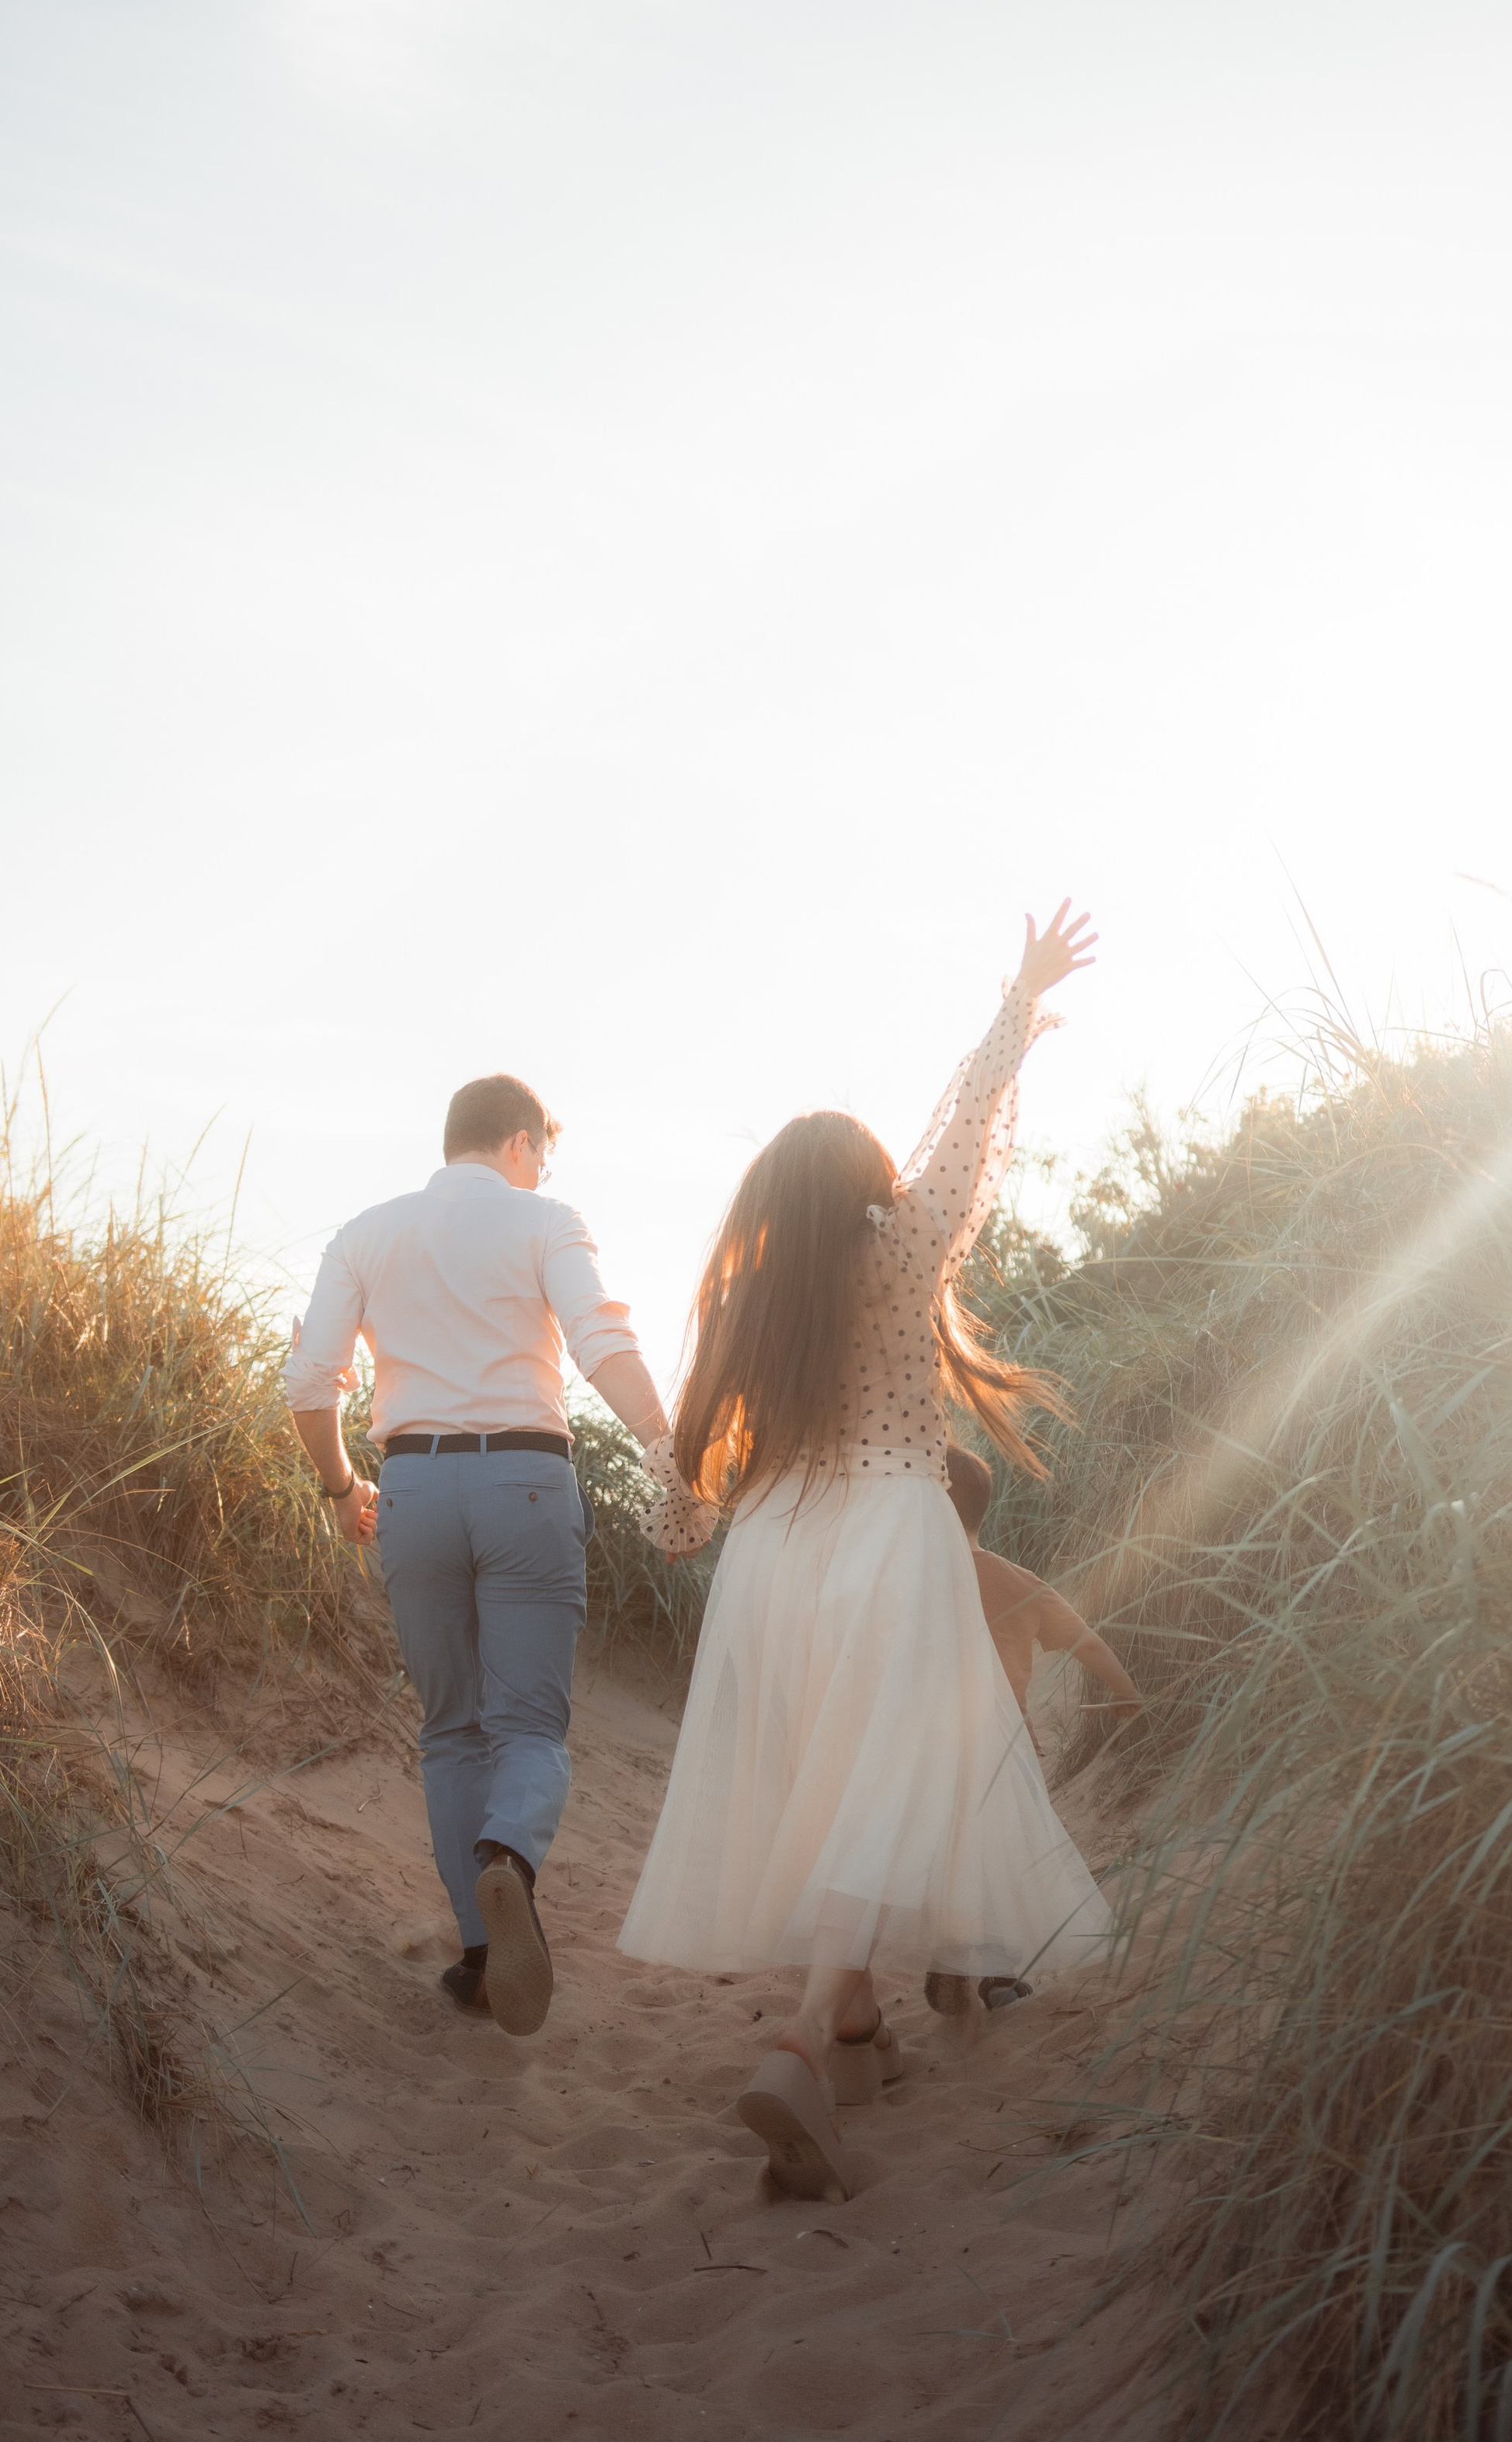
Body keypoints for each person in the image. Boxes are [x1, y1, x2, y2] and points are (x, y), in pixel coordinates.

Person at [617, 906, 1112, 2202]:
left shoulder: (745, 1303)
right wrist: (1017, 1008)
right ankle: (800, 2038)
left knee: (825, 1788)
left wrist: (681, 1534)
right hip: (893, 1533)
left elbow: (685, 1476)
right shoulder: (900, 1260)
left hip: (772, 1555)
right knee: (888, 1789)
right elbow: (962, 1146)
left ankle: (849, 2035)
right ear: (869, 1192)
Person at [283, 1072, 676, 2039]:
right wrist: (668, 1457)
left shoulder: (365, 1233)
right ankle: (510, 1857)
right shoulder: (544, 1219)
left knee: (449, 1727)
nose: (543, 1165)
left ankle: (475, 1949)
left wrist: (342, 1489)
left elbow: (309, 1381)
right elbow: (598, 1341)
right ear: (519, 1142)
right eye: (543, 1148)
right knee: (530, 1726)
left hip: (411, 1487)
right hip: (528, 1484)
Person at [926, 1442, 1143, 2018]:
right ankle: (995, 1976)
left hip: (926, 1739)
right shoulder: (1017, 1580)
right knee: (1000, 1855)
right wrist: (1126, 1694)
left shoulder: (917, 1583)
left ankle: (948, 1954)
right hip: (1002, 1746)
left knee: (942, 1852)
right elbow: (1088, 1643)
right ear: (981, 1509)